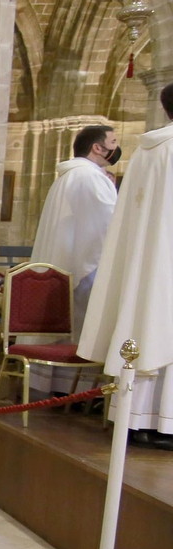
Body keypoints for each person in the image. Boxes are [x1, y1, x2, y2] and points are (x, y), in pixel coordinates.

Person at [80, 85, 173, 450]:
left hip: (148, 260)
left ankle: (135, 417)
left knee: (145, 319)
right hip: (166, 259)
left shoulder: (148, 150)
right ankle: (162, 421)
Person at [31, 125, 119, 342]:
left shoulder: (71, 174)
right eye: (114, 142)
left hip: (71, 260)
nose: (117, 148)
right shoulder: (90, 177)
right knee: (81, 335)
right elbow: (109, 221)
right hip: (87, 270)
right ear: (97, 148)